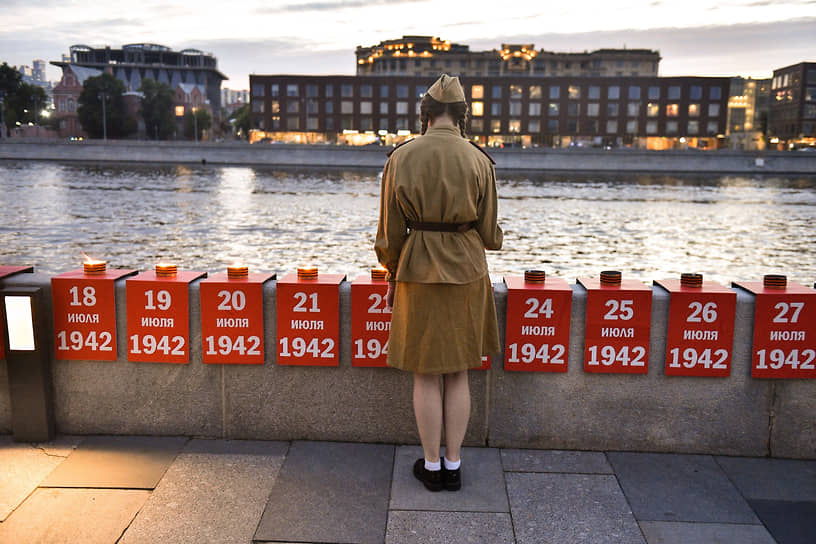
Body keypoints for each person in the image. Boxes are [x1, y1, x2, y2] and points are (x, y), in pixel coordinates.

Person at [375, 74, 503, 492]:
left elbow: (389, 234)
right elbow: (489, 234)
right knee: (460, 371)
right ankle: (454, 463)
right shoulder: (480, 160)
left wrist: (392, 272)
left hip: (419, 269)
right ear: (462, 116)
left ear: (425, 114)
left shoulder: (402, 157)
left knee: (426, 373)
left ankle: (431, 468)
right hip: (468, 270)